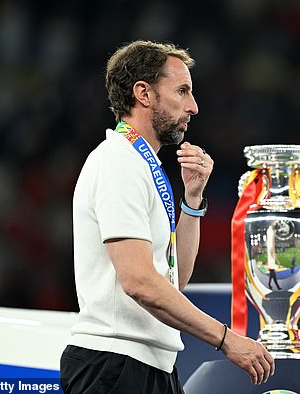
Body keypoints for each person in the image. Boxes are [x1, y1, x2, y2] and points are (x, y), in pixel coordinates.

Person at [60, 40, 275, 393]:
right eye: (182, 91)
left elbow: (173, 280)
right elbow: (140, 282)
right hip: (115, 365)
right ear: (143, 93)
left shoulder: (142, 165)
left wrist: (192, 200)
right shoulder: (118, 161)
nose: (193, 106)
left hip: (147, 363)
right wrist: (226, 339)